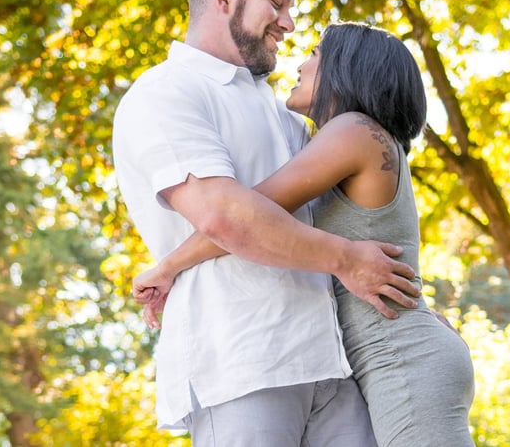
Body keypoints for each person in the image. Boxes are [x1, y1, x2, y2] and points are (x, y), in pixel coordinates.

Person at [112, 0, 421, 447]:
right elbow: (224, 216)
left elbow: (347, 210)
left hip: (332, 364)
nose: (289, 24)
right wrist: (347, 259)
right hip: (242, 363)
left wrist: (417, 321)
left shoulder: (282, 113)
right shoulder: (165, 92)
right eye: (276, 4)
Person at [137, 22, 477, 446]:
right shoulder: (362, 140)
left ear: (346, 66)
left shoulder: (354, 131)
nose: (300, 64)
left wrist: (168, 266)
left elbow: (250, 214)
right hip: (400, 356)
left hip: (401, 359)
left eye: (315, 53)